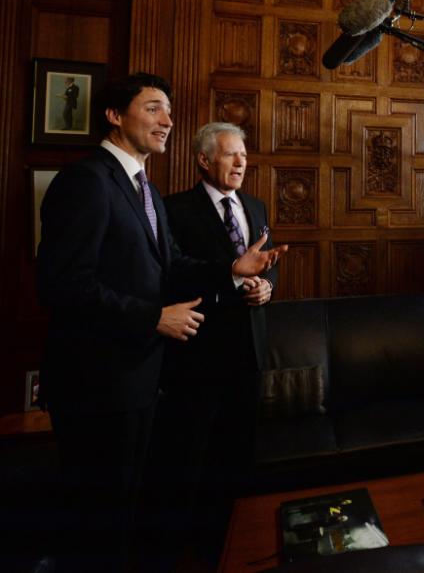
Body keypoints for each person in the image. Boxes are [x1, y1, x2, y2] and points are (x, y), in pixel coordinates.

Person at [36, 73, 286, 572]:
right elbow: (62, 287)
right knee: (95, 528)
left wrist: (233, 271)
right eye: (153, 109)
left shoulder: (142, 188)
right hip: (97, 386)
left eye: (167, 111)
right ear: (114, 115)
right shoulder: (86, 181)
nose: (168, 121)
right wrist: (154, 317)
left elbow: (171, 266)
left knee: (123, 520)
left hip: (139, 381)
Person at [142, 122, 276, 568]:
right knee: (187, 462)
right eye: (230, 155)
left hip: (248, 354)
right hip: (197, 356)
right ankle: (180, 555)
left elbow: (265, 266)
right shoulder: (173, 209)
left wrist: (265, 288)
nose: (241, 162)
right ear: (203, 160)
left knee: (237, 460)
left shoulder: (255, 206)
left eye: (244, 154)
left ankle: (230, 545)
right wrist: (234, 274)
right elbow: (176, 274)